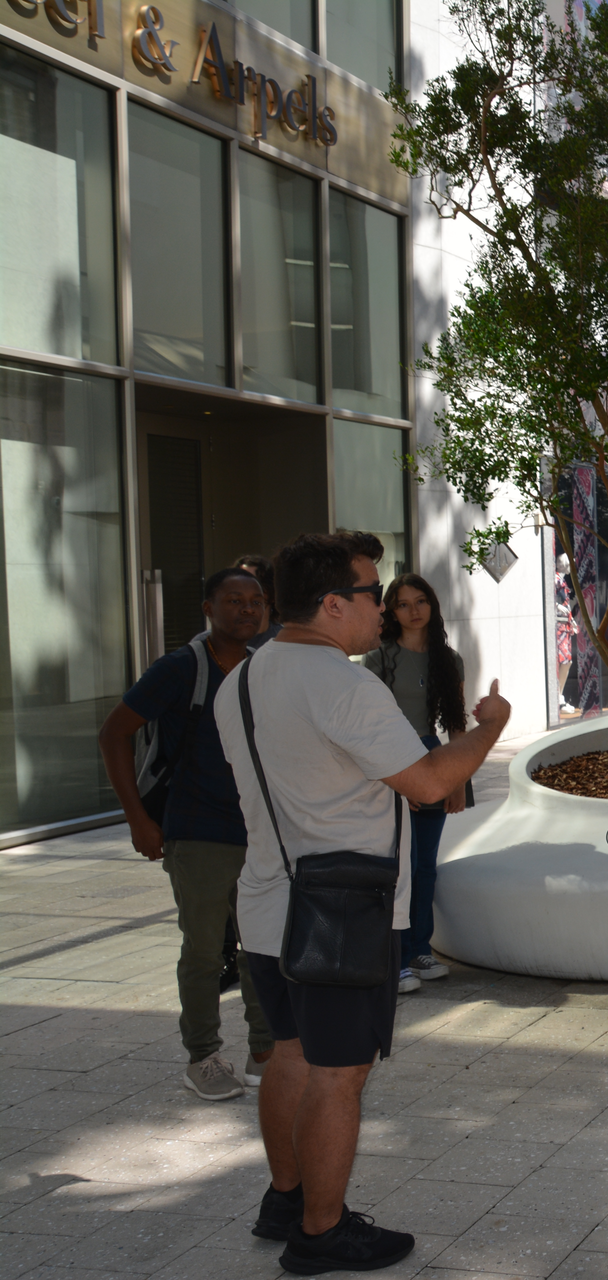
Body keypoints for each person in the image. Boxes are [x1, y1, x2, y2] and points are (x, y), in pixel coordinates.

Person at [216, 531, 509, 1273]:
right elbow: (428, 783)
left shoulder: (242, 679)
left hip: (264, 905)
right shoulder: (343, 684)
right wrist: (489, 730)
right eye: (372, 593)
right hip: (342, 911)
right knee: (338, 1073)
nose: (382, 606)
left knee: (288, 1052)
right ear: (333, 604)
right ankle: (321, 1232)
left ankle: (285, 1199)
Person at [98, 567, 275, 1102]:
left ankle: (265, 1050)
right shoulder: (179, 668)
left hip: (258, 831)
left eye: (255, 601)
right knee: (203, 950)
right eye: (233, 600)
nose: (246, 610)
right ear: (208, 608)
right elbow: (114, 733)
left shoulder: (263, 666)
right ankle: (203, 1056)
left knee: (262, 946)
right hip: (197, 831)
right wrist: (138, 819)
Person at [362, 575, 469, 995]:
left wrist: (458, 778)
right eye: (403, 604)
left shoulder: (449, 659)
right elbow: (370, 727)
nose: (413, 610)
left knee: (425, 864)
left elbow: (456, 721)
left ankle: (420, 950)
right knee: (396, 866)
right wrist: (397, 779)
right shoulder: (377, 660)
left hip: (433, 758)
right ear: (390, 611)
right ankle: (396, 955)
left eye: (420, 601)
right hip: (390, 762)